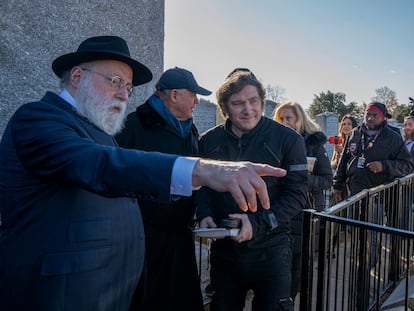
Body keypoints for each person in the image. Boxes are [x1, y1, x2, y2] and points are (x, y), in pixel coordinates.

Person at [0, 36, 288, 311]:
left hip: (116, 286)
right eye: (115, 81)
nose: (124, 94)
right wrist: (202, 169)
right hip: (62, 293)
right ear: (77, 76)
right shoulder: (37, 119)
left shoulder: (100, 131)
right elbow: (101, 164)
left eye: (128, 86)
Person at [196, 69, 308, 311]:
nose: (248, 110)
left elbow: (297, 194)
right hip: (225, 252)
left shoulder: (289, 140)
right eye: (238, 104)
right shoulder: (208, 141)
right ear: (224, 109)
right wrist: (204, 213)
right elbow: (202, 186)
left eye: (253, 101)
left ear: (263, 102)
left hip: (272, 250)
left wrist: (257, 223)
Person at [115, 67, 211, 311]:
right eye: (194, 94)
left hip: (180, 237)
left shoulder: (190, 130)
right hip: (145, 240)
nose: (197, 101)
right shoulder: (132, 126)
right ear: (175, 95)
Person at [273, 101, 333, 301]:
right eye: (280, 118)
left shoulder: (314, 144)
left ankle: (288, 300)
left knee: (297, 264)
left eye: (288, 118)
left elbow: (326, 180)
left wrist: (298, 177)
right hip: (278, 207)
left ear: (299, 120)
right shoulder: (275, 141)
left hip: (304, 209)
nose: (284, 122)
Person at [333, 102, 413, 202]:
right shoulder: (354, 133)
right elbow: (344, 161)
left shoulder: (393, 137)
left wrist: (383, 166)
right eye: (368, 114)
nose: (370, 118)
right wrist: (337, 185)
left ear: (383, 117)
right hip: (356, 192)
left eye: (375, 115)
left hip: (382, 195)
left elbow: (406, 164)